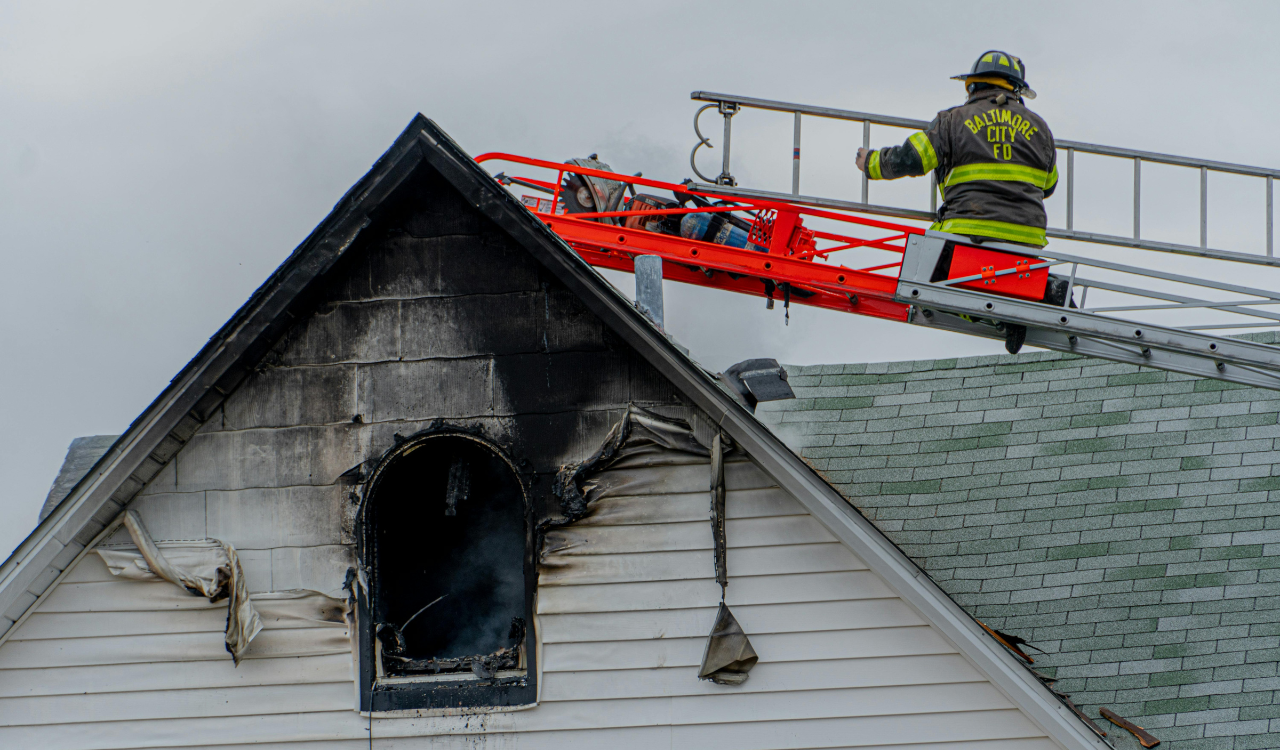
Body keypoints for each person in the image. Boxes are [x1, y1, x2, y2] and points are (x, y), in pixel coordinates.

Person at [856, 51, 1057, 353]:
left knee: (924, 283)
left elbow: (911, 158)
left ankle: (998, 316)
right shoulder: (1041, 129)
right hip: (1026, 242)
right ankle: (1043, 292)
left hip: (969, 234)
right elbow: (1049, 186)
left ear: (972, 86)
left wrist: (871, 162)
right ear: (1016, 90)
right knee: (993, 276)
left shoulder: (953, 121)